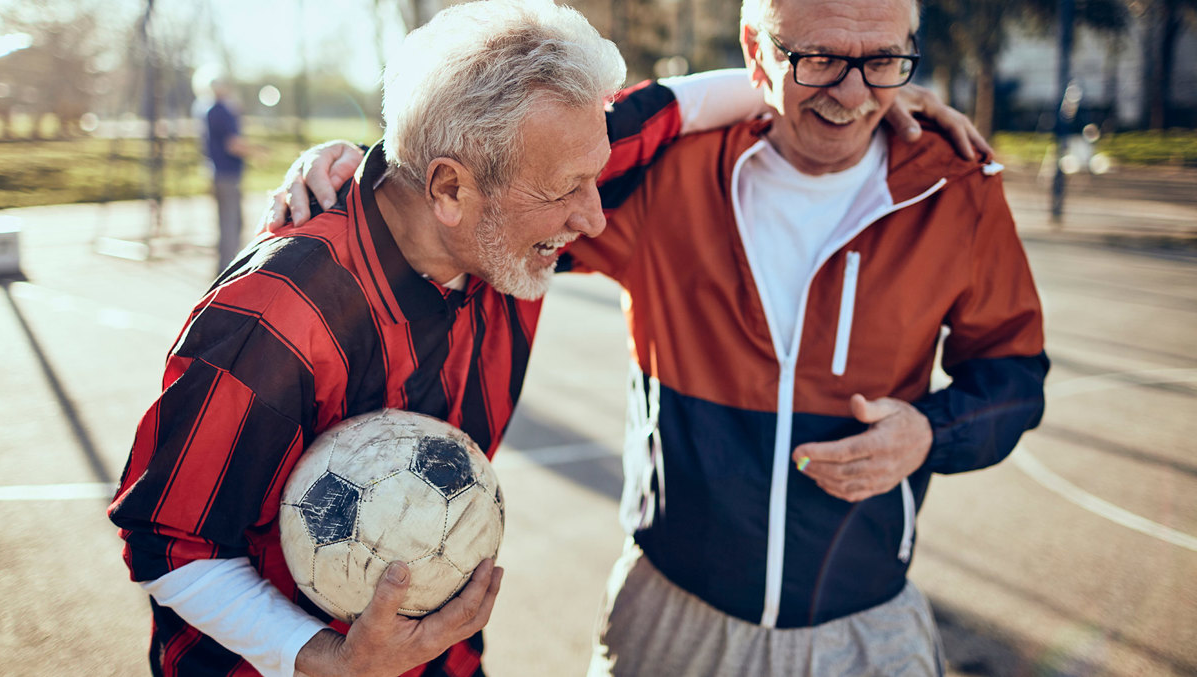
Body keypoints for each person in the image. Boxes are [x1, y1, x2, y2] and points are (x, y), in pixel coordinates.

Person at [281, 0, 1048, 675]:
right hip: (673, 622)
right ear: (756, 51)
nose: (851, 93)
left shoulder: (958, 189)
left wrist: (930, 433)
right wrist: (370, 173)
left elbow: (1015, 378)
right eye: (817, 58)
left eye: (882, 59)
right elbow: (495, 184)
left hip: (866, 628)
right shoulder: (666, 175)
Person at [107, 3, 628, 676]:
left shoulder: (512, 222)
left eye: (597, 175)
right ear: (448, 188)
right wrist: (326, 657)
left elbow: (701, 100)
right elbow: (166, 541)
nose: (592, 216)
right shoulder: (275, 313)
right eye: (568, 190)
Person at [194, 68, 251, 274]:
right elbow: (233, 144)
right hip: (228, 173)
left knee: (225, 222)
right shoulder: (223, 111)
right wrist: (257, 151)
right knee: (231, 224)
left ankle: (223, 266)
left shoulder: (207, 110)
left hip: (216, 172)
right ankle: (229, 269)